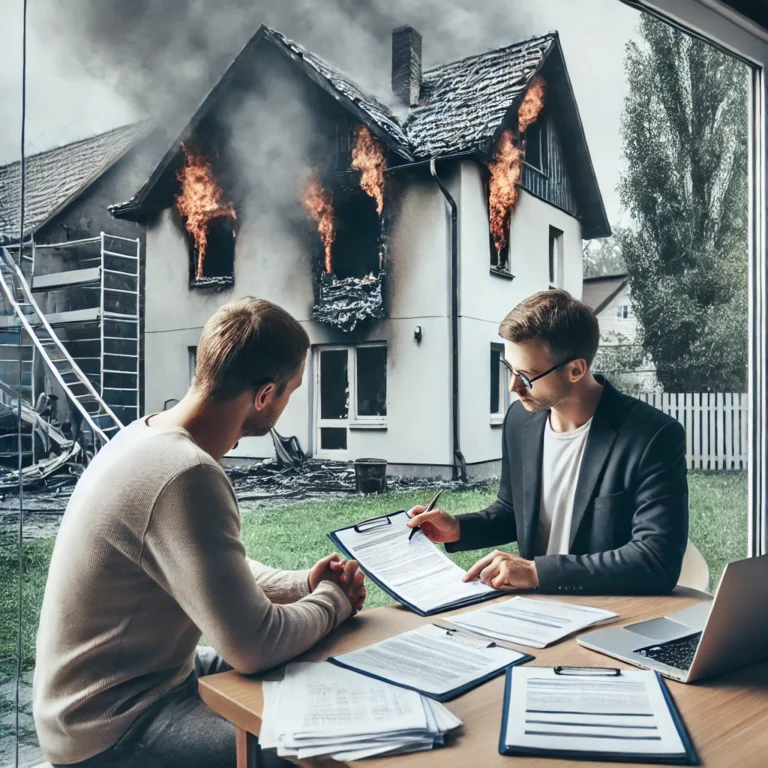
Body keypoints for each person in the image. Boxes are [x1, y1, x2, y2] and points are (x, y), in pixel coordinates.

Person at [33, 297, 366, 768]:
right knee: (314, 751)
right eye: (291, 392)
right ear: (266, 395)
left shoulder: (144, 436)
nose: (287, 404)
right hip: (112, 725)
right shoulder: (184, 474)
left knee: (314, 669)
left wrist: (301, 586)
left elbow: (206, 566)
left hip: (142, 684)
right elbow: (254, 645)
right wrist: (334, 601)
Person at [407, 289, 688, 596]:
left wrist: (537, 571)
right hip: (534, 612)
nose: (513, 387)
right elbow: (513, 510)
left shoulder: (654, 436)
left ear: (576, 370)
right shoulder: (520, 420)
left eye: (526, 376)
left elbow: (657, 560)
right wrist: (458, 529)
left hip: (610, 613)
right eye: (509, 369)